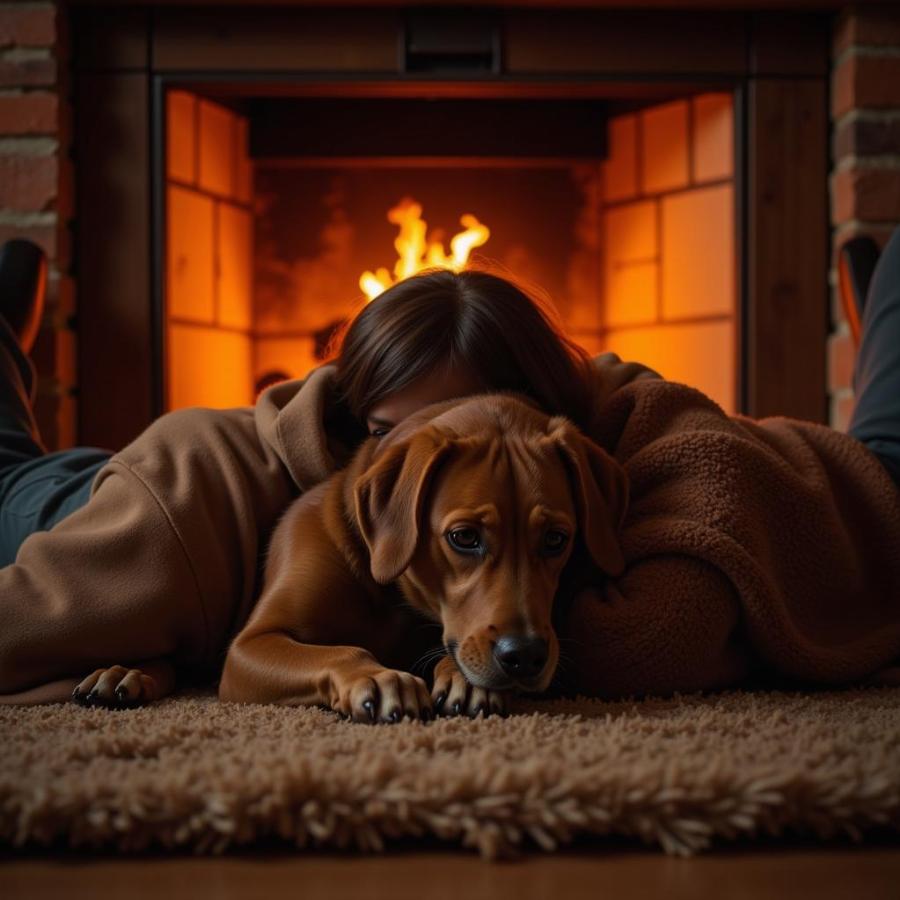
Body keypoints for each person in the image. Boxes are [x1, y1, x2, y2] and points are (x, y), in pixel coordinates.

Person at [0, 231, 898, 707]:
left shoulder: (560, 455)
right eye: (396, 428)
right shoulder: (242, 485)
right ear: (362, 421)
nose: (422, 442)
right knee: (13, 469)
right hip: (78, 496)